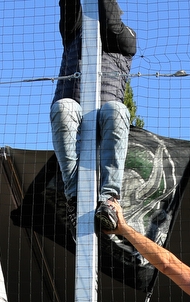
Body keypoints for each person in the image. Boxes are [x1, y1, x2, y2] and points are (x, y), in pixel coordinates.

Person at [51, 0, 136, 229]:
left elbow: (110, 22)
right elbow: (69, 9)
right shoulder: (74, 34)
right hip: (76, 117)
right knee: (63, 107)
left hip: (105, 121)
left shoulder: (126, 38)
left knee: (116, 109)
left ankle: (109, 200)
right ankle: (75, 198)